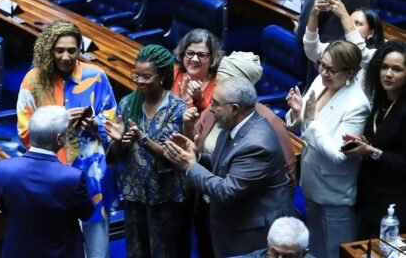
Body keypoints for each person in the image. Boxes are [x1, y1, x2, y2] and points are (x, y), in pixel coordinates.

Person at [17, 20, 116, 258]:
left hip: (92, 174)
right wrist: (59, 119)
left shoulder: (96, 76)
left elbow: (114, 120)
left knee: (96, 245)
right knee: (56, 243)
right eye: (59, 50)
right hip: (51, 175)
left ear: (79, 50)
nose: (65, 56)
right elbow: (24, 130)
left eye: (72, 50)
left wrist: (94, 123)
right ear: (49, 49)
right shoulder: (33, 80)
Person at [183, 51, 297, 258]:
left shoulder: (260, 138)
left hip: (249, 227)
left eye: (216, 104)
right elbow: (220, 162)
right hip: (221, 214)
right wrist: (198, 158)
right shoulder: (231, 123)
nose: (210, 108)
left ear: (235, 107)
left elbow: (288, 176)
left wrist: (190, 166)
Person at [285, 41, 370, 258]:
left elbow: (338, 154)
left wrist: (310, 121)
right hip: (311, 184)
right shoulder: (319, 81)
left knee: (335, 253)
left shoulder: (357, 105)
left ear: (350, 72)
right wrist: (296, 112)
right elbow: (301, 120)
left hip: (335, 194)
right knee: (315, 250)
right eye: (321, 65)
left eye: (331, 69)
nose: (323, 72)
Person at [104, 44, 189, 257]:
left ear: (162, 76)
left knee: (166, 251)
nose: (139, 81)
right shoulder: (127, 104)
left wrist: (142, 138)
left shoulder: (176, 107)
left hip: (165, 195)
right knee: (136, 250)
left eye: (146, 76)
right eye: (137, 75)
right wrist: (117, 141)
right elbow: (117, 154)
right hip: (135, 193)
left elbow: (171, 154)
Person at [0, 106, 95, 258]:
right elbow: (87, 213)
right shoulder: (72, 178)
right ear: (59, 138)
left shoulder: (2, 168)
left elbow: (5, 206)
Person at [341, 40, 406, 239]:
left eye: (397, 69)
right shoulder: (382, 101)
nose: (388, 74)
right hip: (370, 193)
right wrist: (365, 143)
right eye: (384, 67)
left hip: (396, 202)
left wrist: (371, 151)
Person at [303, 0, 384, 88]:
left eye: (357, 23)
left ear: (371, 33)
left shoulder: (378, 55)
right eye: (349, 21)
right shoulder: (340, 48)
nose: (349, 26)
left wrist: (344, 15)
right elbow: (312, 50)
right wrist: (314, 14)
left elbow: (361, 54)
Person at [296, 0, 374, 42]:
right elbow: (370, 2)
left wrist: (299, 30)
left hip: (324, 51)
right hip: (353, 49)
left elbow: (304, 32)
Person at [172, 28, 225, 112]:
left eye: (201, 55)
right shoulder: (172, 72)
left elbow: (214, 120)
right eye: (190, 53)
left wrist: (199, 101)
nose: (195, 59)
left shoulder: (219, 84)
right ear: (183, 53)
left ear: (212, 58)